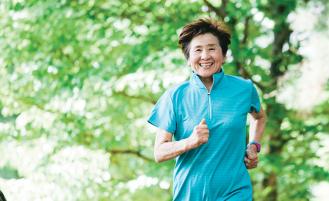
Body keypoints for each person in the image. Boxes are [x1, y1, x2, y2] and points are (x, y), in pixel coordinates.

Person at [148, 18, 266, 201]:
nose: (205, 56)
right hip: (189, 194)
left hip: (235, 191)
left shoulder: (244, 89)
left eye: (212, 48)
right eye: (198, 50)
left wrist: (254, 145)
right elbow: (159, 152)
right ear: (188, 59)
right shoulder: (175, 96)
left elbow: (259, 117)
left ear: (224, 55)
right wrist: (191, 142)